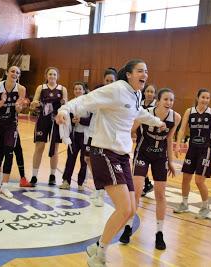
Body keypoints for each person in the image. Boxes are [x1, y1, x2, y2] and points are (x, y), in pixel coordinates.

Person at [56, 59, 166, 267]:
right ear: (129, 74)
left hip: (122, 155)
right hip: (104, 152)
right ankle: (100, 255)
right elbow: (86, 100)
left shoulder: (136, 94)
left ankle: (98, 246)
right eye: (141, 71)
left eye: (147, 71)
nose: (145, 74)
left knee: (131, 210)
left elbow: (139, 113)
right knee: (124, 209)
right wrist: (64, 110)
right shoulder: (114, 90)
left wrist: (156, 122)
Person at [119, 88, 181, 250]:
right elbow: (130, 129)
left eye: (171, 100)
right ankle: (128, 227)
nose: (169, 103)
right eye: (166, 99)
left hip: (160, 157)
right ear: (158, 100)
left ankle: (159, 233)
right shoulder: (146, 113)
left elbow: (169, 140)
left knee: (160, 194)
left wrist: (171, 161)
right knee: (137, 191)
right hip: (143, 154)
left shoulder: (175, 117)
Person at [173, 89, 211, 218]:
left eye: (208, 98)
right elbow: (182, 129)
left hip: (206, 149)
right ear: (197, 98)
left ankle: (205, 207)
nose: (205, 100)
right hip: (192, 149)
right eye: (203, 97)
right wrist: (178, 145)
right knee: (186, 178)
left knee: (199, 181)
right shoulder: (189, 112)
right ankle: (184, 204)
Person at [0, 66, 29, 198]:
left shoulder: (21, 89)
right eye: (12, 71)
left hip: (11, 124)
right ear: (7, 73)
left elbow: (19, 110)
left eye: (17, 72)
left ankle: (4, 186)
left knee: (9, 152)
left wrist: (19, 107)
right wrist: (3, 101)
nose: (15, 74)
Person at [30, 67, 68, 186]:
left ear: (57, 76)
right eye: (50, 74)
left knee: (55, 149)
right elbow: (34, 103)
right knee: (39, 147)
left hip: (56, 121)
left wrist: (64, 103)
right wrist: (34, 103)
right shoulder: (41, 88)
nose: (52, 76)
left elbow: (66, 105)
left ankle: (52, 176)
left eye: (54, 74)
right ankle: (34, 176)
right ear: (46, 76)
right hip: (43, 119)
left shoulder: (63, 89)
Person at [87, 68, 118, 207]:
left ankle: (102, 193)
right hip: (93, 132)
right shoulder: (98, 94)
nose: (109, 83)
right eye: (107, 81)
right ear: (103, 81)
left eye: (112, 81)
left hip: (108, 136)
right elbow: (89, 108)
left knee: (102, 164)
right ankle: (98, 188)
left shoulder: (119, 97)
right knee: (89, 160)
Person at [59, 82, 90, 191]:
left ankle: (81, 183)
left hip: (86, 137)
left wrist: (81, 120)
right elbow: (67, 121)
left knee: (84, 160)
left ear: (84, 90)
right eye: (75, 89)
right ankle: (66, 181)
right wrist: (72, 121)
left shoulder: (89, 103)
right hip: (74, 135)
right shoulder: (70, 104)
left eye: (80, 89)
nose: (77, 91)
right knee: (70, 159)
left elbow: (92, 121)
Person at [139, 84, 157, 197]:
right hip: (141, 137)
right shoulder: (139, 104)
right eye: (148, 91)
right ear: (144, 92)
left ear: (155, 94)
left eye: (152, 92)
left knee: (148, 163)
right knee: (139, 163)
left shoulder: (156, 106)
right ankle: (147, 183)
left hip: (153, 138)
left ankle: (149, 183)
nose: (149, 93)